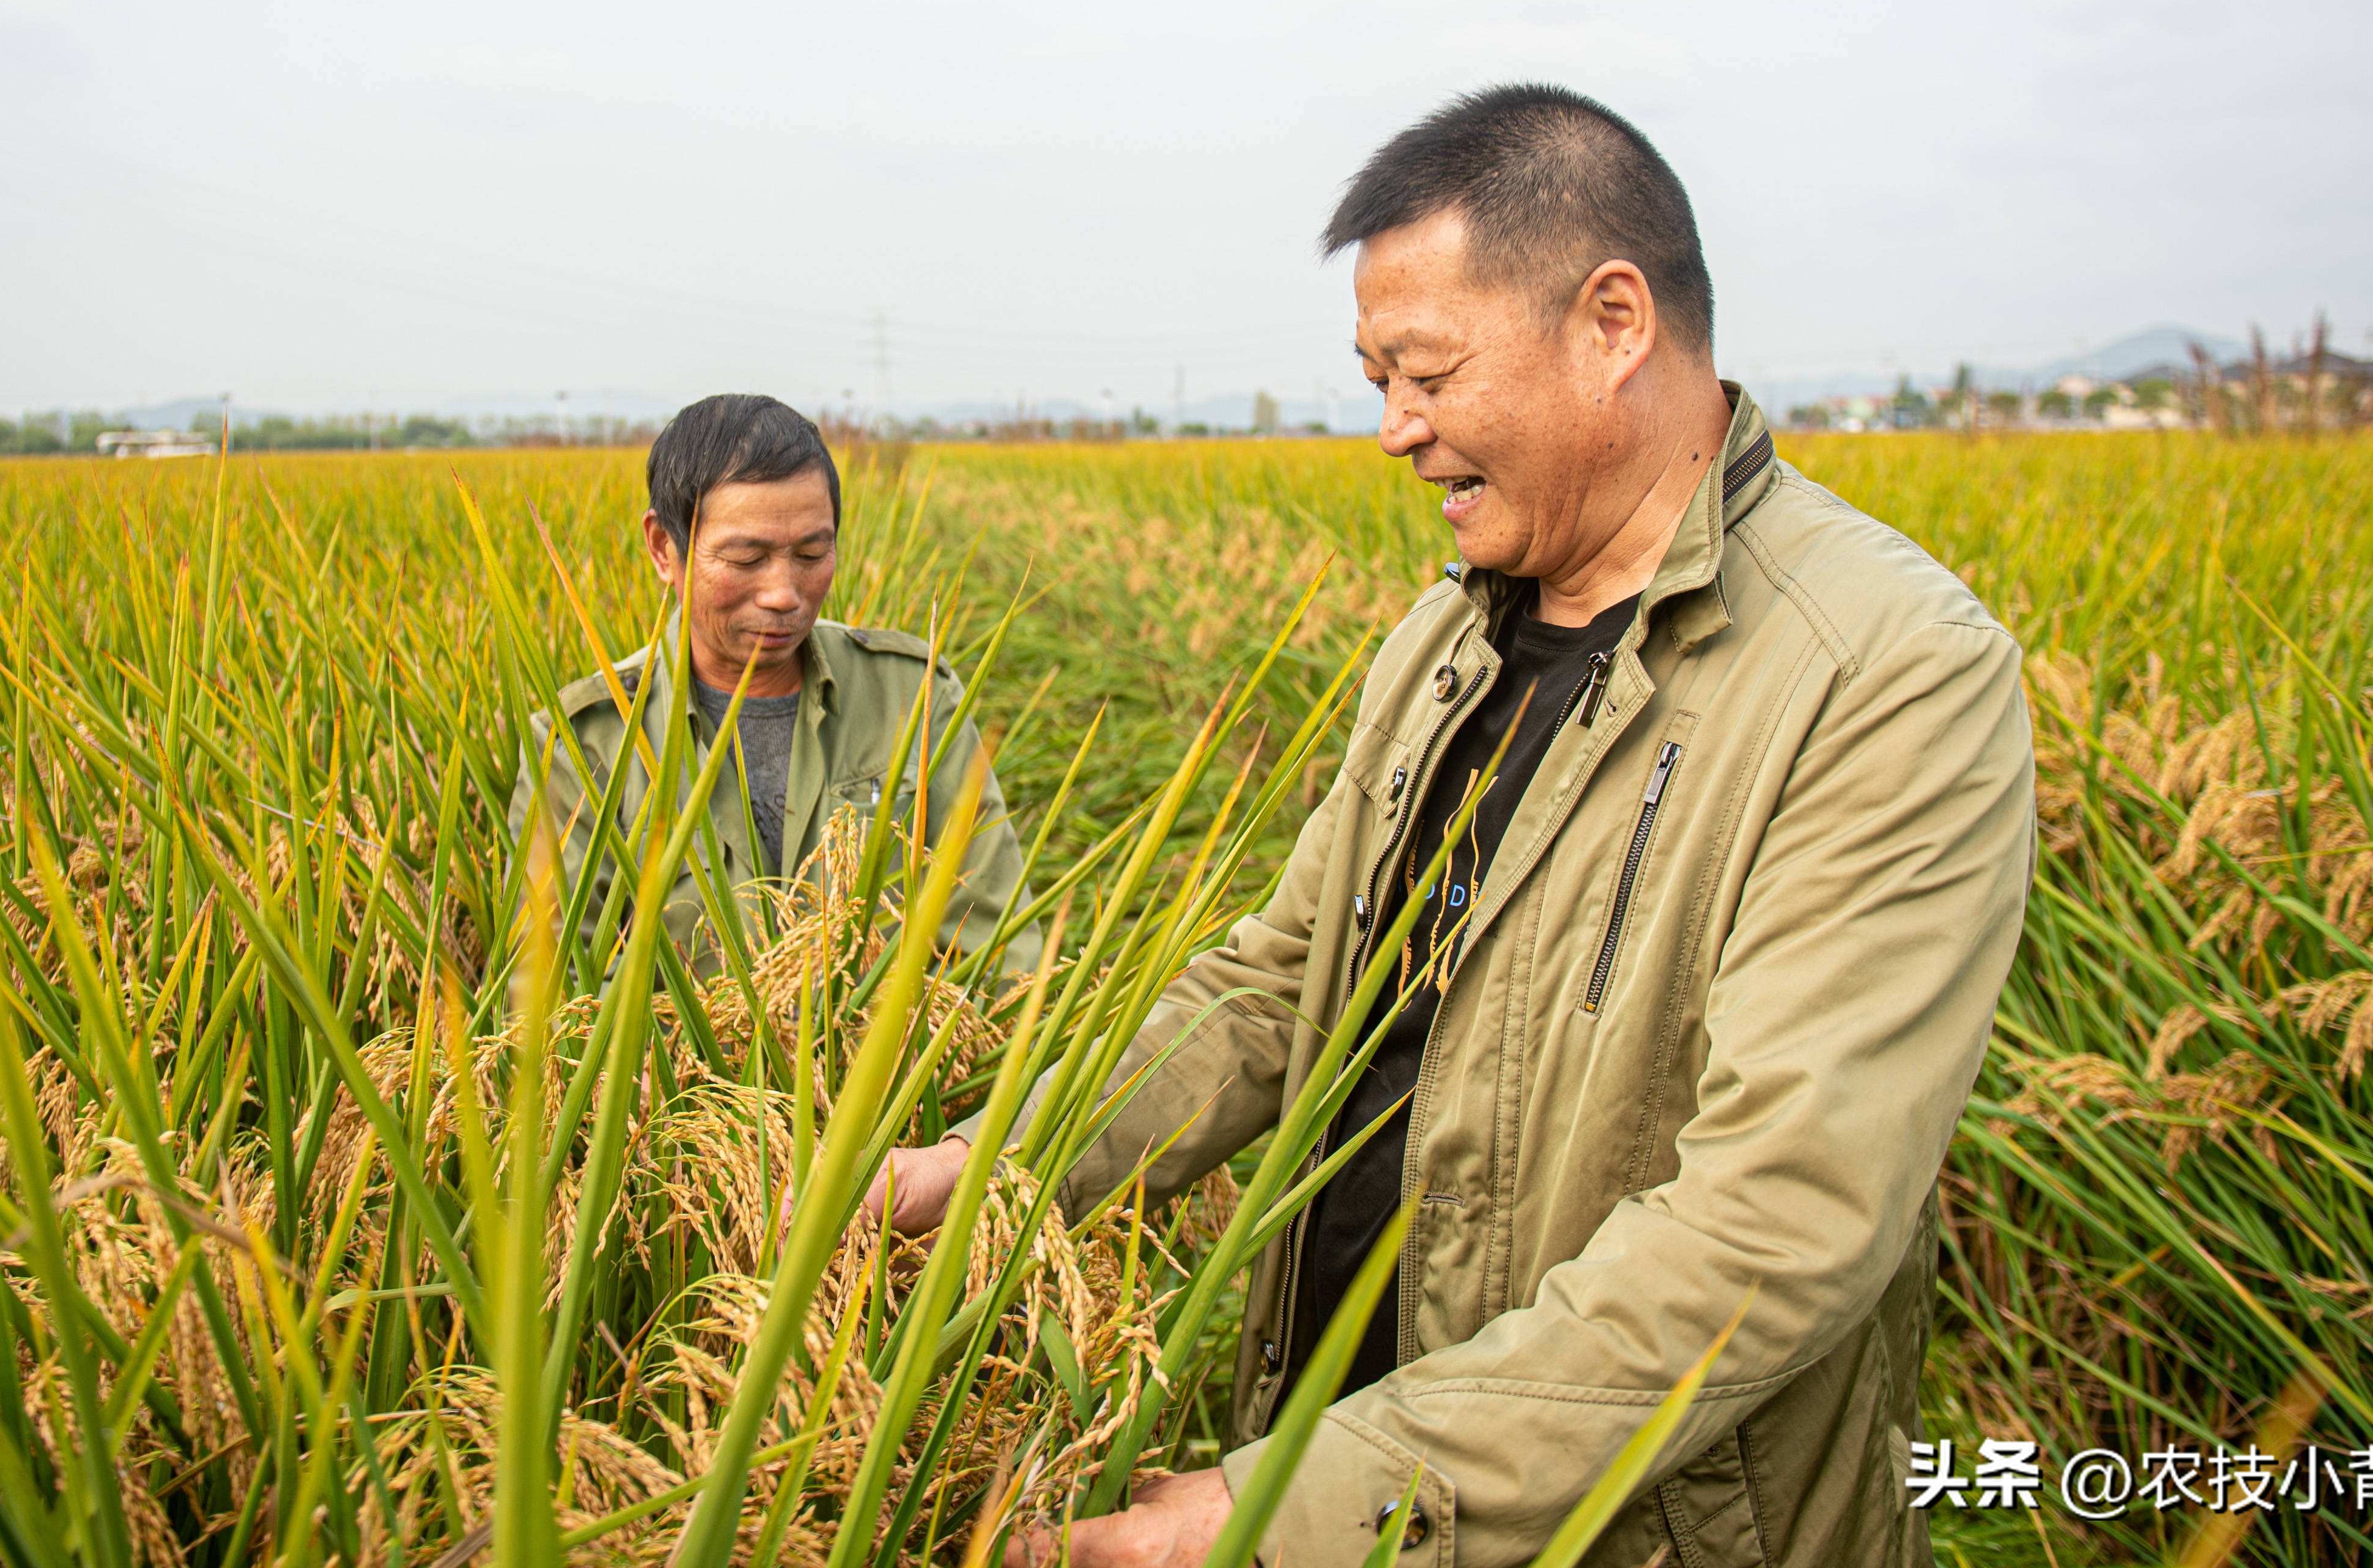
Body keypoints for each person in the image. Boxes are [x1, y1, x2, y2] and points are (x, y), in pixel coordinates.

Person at [877, 85, 2036, 1565]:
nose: (1391, 431)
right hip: (1335, 1464)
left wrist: (1298, 1502)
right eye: (1373, 379)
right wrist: (997, 1159)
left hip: (1622, 1528)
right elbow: (1275, 987)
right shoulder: (1443, 644)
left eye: (1421, 372)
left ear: (1610, 324)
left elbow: (1776, 1221)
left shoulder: (1879, 673)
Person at [507, 392, 1035, 971]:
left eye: (811, 552)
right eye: (745, 558)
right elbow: (543, 998)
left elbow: (998, 947)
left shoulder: (910, 695)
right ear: (664, 547)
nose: (784, 594)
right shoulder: (588, 742)